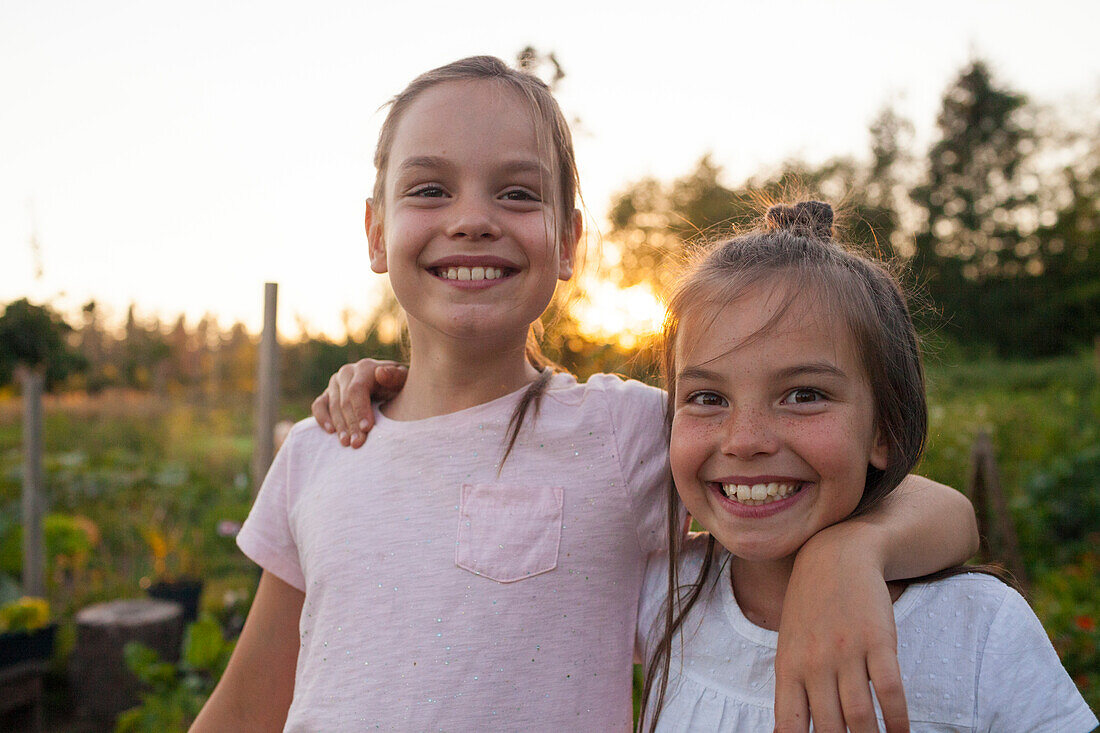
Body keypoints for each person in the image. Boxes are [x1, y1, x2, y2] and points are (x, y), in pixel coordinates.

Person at [196, 57, 978, 732]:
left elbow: (946, 512)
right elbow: (246, 707)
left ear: (569, 241)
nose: (471, 220)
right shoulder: (322, 448)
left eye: (516, 194)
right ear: (375, 231)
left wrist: (850, 551)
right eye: (430, 189)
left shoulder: (623, 431)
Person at [632, 200, 1097, 731]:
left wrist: (850, 552)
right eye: (707, 398)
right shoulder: (664, 592)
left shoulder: (979, 628)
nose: (744, 441)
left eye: (803, 394)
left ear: (885, 430)